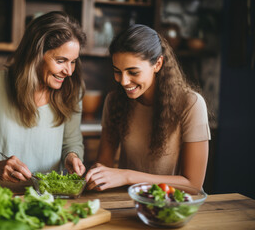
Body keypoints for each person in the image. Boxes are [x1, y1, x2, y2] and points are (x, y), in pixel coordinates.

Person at [0, 11, 87, 182]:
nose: (69, 71)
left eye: (73, 61)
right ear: (35, 55)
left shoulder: (71, 92)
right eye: (61, 61)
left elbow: (71, 143)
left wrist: (72, 156)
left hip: (43, 199)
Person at [85, 24, 211, 191]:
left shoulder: (191, 104)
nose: (123, 81)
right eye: (117, 71)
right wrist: (89, 175)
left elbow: (193, 185)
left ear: (158, 64)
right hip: (129, 202)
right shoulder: (114, 100)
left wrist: (127, 176)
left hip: (175, 206)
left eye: (133, 72)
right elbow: (103, 165)